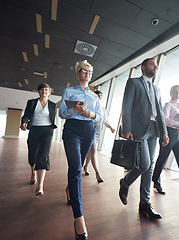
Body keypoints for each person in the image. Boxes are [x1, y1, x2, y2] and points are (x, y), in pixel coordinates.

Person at [119, 58, 169, 219]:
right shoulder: (133, 83)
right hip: (139, 129)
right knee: (145, 164)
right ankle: (125, 182)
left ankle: (144, 203)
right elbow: (126, 105)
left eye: (156, 65)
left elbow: (159, 113)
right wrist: (126, 128)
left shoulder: (157, 89)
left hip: (154, 130)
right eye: (152, 64)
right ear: (143, 67)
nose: (155, 67)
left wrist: (164, 132)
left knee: (150, 166)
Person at [59, 60, 101, 240]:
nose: (87, 74)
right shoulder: (69, 91)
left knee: (78, 165)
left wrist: (91, 114)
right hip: (72, 129)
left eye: (89, 72)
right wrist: (74, 110)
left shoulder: (94, 96)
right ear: (78, 74)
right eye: (83, 71)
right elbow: (61, 113)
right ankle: (79, 218)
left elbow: (99, 117)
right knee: (76, 168)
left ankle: (70, 189)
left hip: (88, 130)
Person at [20, 83, 57, 196]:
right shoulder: (31, 103)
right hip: (34, 130)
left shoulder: (52, 105)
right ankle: (33, 173)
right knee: (32, 154)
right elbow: (26, 115)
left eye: (46, 90)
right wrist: (24, 122)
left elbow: (52, 118)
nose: (44, 91)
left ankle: (40, 186)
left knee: (43, 155)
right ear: (38, 91)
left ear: (49, 92)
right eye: (42, 89)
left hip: (47, 131)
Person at [83, 90, 115, 183]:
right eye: (97, 95)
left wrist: (111, 127)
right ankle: (97, 173)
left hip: (97, 130)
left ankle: (86, 166)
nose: (99, 97)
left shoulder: (102, 108)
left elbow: (105, 120)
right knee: (93, 149)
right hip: (89, 128)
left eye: (100, 96)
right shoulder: (89, 106)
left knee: (91, 150)